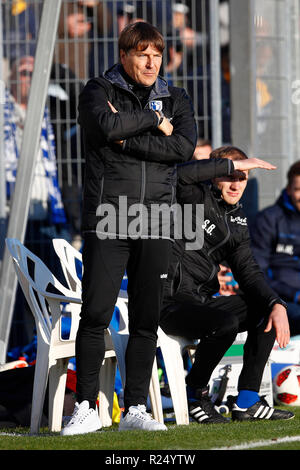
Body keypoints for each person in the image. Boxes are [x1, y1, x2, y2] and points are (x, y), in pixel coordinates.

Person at [61, 21, 197, 435]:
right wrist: (154, 121)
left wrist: (128, 133)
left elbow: (183, 148)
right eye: (143, 54)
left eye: (157, 54)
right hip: (108, 216)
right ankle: (84, 407)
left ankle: (136, 408)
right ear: (125, 56)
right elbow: (106, 127)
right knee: (96, 313)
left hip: (156, 218)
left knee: (145, 318)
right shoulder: (97, 90)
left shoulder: (176, 97)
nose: (152, 62)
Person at [160, 146, 294, 424]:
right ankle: (195, 393)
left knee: (264, 311)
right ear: (215, 176)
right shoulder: (192, 197)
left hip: (201, 302)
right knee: (225, 323)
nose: (236, 183)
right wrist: (228, 165)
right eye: (230, 174)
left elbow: (249, 271)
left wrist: (276, 303)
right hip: (169, 302)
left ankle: (247, 401)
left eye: (242, 176)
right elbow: (178, 176)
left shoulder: (238, 221)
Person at [251, 161, 300, 336]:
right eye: (298, 189)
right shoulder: (268, 220)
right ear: (288, 190)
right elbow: (258, 274)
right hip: (282, 300)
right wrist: (295, 294)